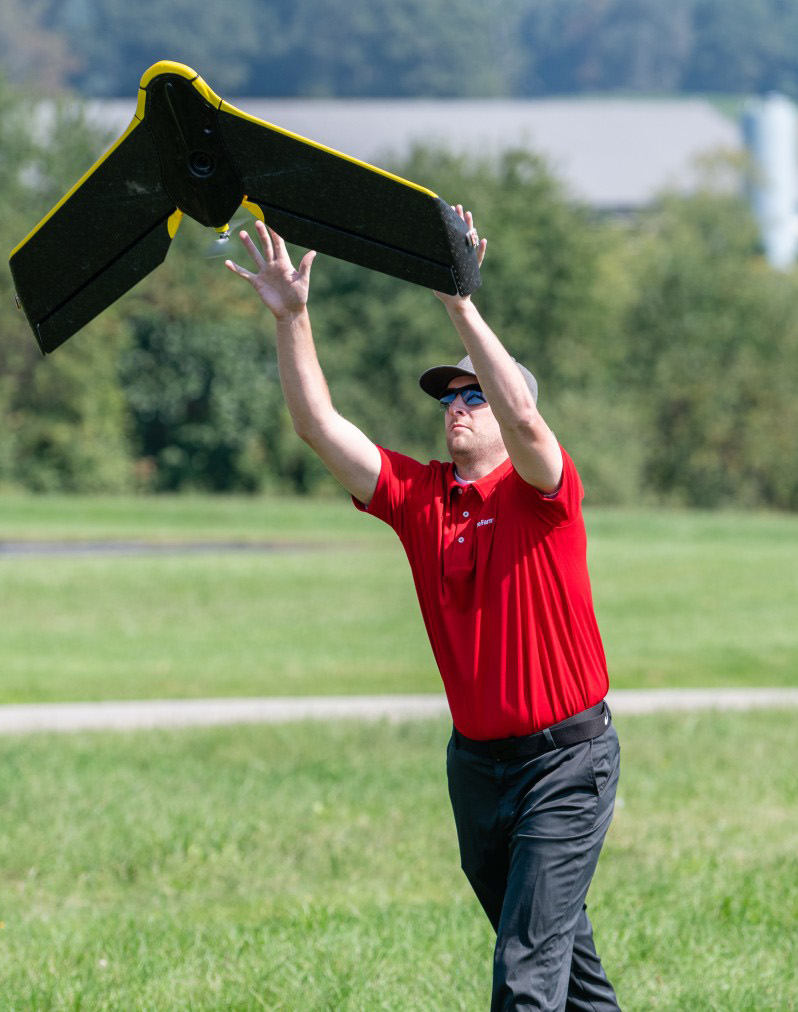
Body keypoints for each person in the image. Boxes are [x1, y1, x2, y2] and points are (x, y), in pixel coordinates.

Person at [226, 209, 622, 1012]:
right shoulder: (420, 498)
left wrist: (457, 301)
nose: (457, 406)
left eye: (472, 393)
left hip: (564, 766)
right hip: (477, 770)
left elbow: (524, 417)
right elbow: (316, 426)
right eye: (449, 397)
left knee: (524, 976)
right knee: (563, 972)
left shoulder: (543, 493)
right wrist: (293, 319)